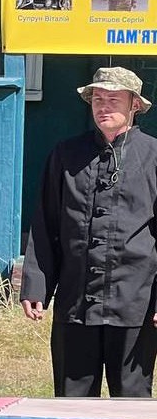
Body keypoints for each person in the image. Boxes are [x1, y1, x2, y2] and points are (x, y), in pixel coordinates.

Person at [21, 67, 157, 398]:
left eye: (113, 99)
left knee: (132, 402)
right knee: (71, 401)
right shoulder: (66, 155)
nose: (103, 107)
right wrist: (37, 284)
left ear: (134, 106)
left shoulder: (153, 156)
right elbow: (46, 224)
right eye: (97, 99)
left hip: (135, 303)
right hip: (75, 303)